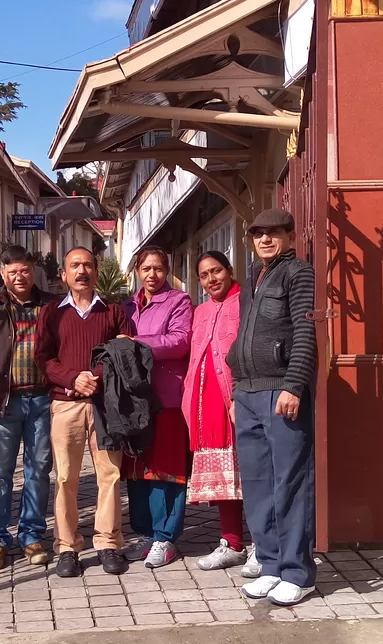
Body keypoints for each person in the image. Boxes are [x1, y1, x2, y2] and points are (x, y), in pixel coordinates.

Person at [226, 208, 317, 607]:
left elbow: (305, 330)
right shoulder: (252, 277)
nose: (264, 239)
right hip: (247, 393)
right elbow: (243, 334)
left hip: (281, 391)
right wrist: (236, 388)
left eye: (273, 232)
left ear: (290, 236)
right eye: (257, 233)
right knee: (258, 484)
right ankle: (271, 564)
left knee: (290, 483)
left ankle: (298, 573)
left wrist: (294, 385)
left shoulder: (298, 273)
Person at [35, 247, 133, 578]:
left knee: (110, 475)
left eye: (88, 265)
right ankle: (67, 547)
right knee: (66, 477)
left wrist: (94, 378)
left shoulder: (113, 312)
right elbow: (43, 358)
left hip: (107, 405)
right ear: (63, 274)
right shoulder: (51, 313)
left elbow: (124, 355)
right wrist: (72, 379)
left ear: (96, 272)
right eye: (74, 265)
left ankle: (108, 543)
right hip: (66, 405)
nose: (82, 271)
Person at [0, 244, 57, 570]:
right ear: (3, 274)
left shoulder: (49, 305)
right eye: (13, 271)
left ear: (33, 271)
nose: (20, 277)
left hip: (43, 400)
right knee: (0, 472)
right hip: (4, 401)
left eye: (25, 270)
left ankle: (31, 535)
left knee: (39, 470)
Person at [182, 249, 258, 576]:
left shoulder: (247, 302)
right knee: (225, 478)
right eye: (204, 275)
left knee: (253, 474)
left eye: (216, 271)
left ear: (229, 269)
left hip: (239, 400)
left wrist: (242, 395)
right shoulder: (199, 311)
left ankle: (262, 545)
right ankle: (232, 543)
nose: (211, 279)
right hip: (206, 405)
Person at [122, 247, 192, 569]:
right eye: (146, 268)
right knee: (138, 467)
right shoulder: (127, 306)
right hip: (134, 399)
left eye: (159, 269)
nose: (152, 275)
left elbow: (180, 340)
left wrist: (138, 343)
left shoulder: (178, 301)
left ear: (167, 271)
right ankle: (146, 532)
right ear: (137, 271)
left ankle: (166, 537)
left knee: (166, 468)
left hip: (166, 397)